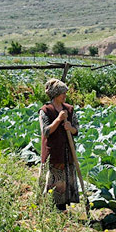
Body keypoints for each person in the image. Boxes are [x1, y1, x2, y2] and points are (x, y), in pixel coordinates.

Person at [39, 78, 79, 210]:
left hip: (67, 152)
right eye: (63, 93)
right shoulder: (45, 110)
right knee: (54, 181)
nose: (65, 96)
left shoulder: (70, 109)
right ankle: (50, 207)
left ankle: (63, 208)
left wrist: (70, 127)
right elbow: (46, 131)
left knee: (66, 180)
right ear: (56, 94)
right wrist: (58, 119)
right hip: (54, 153)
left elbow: (76, 130)